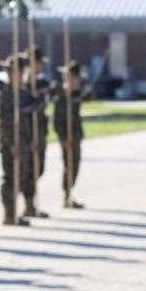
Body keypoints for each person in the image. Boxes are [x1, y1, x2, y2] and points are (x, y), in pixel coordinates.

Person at [0, 55, 43, 226]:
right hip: (11, 142)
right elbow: (6, 122)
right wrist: (11, 144)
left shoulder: (24, 93)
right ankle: (9, 213)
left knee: (21, 176)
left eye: (16, 72)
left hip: (23, 141)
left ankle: (15, 211)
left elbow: (29, 119)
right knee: (11, 177)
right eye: (10, 72)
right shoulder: (7, 93)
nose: (13, 75)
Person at [54, 60, 90, 209]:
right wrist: (62, 138)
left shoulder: (76, 94)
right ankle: (66, 196)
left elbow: (88, 96)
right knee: (69, 166)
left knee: (75, 166)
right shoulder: (62, 97)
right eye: (71, 78)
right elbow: (57, 120)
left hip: (76, 136)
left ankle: (69, 194)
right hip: (66, 137)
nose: (76, 81)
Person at [21, 46, 51, 218]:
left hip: (40, 129)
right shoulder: (26, 82)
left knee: (38, 169)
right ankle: (28, 205)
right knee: (31, 170)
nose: (41, 66)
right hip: (30, 131)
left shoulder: (39, 81)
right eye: (38, 63)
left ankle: (31, 203)